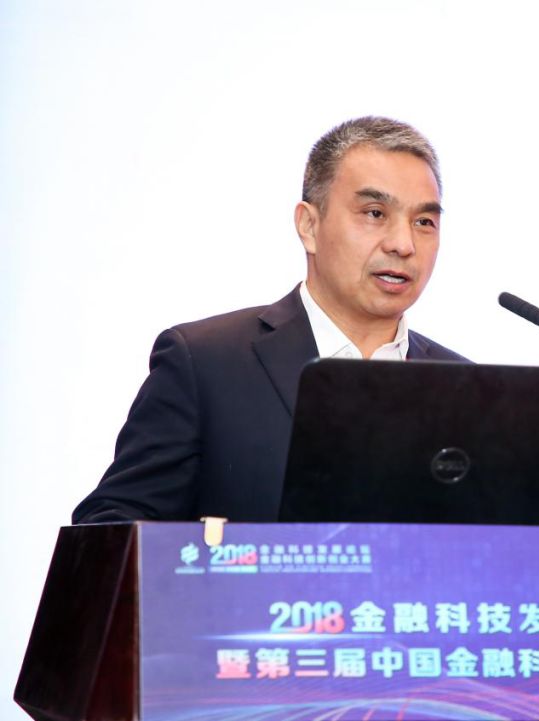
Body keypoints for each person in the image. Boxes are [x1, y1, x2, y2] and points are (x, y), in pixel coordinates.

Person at [72, 117, 467, 524]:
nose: (403, 244)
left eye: (424, 222)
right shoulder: (206, 364)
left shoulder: (466, 390)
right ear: (309, 226)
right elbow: (111, 526)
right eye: (375, 213)